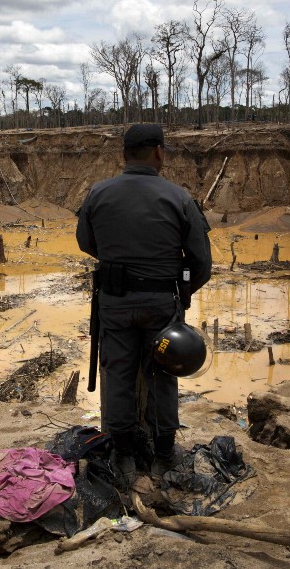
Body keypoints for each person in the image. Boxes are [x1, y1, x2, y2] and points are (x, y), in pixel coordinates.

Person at [76, 123, 212, 486]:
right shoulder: (179, 197)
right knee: (163, 375)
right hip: (161, 304)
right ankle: (164, 455)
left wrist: (120, 263)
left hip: (115, 302)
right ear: (158, 152)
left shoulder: (98, 193)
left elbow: (87, 243)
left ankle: (122, 455)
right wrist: (178, 294)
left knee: (117, 374)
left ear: (124, 154)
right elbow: (201, 262)